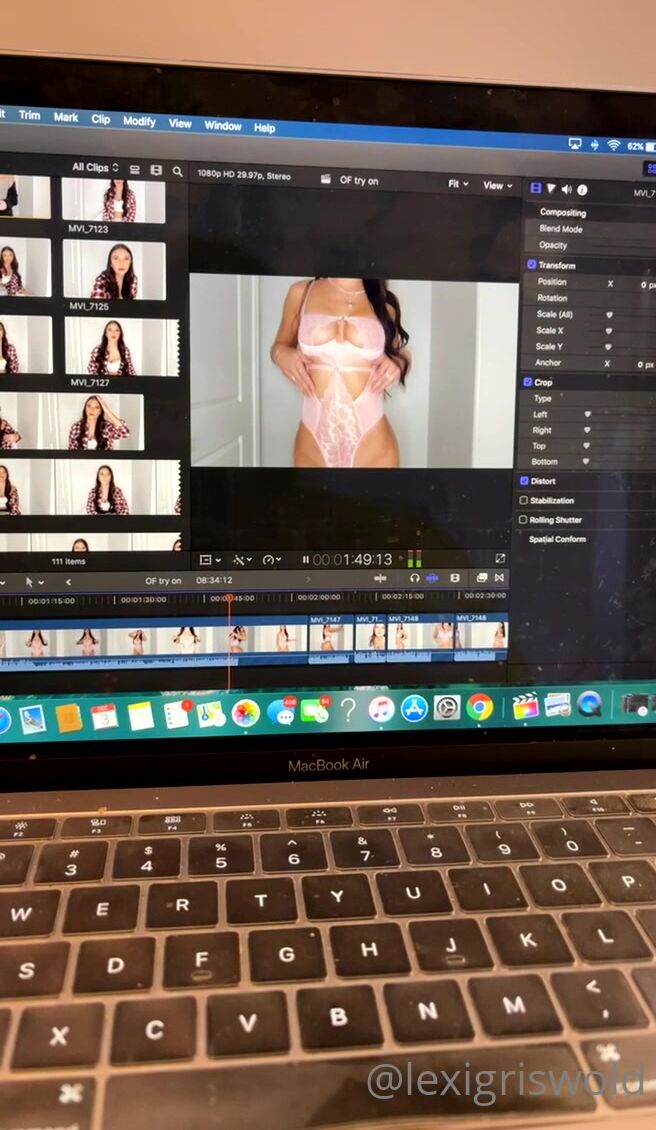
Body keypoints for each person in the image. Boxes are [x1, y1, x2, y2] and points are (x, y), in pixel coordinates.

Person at [271, 277, 410, 468]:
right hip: (312, 448)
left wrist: (398, 364)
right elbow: (279, 345)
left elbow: (399, 355)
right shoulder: (301, 292)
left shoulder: (384, 301)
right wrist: (281, 354)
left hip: (375, 447)